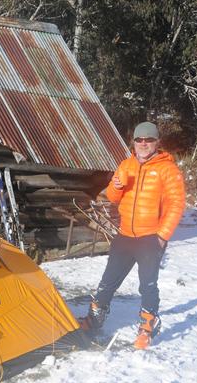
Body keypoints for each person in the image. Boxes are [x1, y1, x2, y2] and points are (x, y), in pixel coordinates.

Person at [80, 121, 186, 349]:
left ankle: (147, 328)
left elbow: (177, 204)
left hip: (150, 237)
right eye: (140, 140)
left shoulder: (168, 170)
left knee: (147, 286)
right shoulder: (126, 165)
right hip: (124, 235)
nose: (144, 144)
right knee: (107, 282)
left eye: (149, 140)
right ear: (134, 142)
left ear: (157, 142)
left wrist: (162, 235)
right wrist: (116, 186)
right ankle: (94, 318)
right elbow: (112, 196)